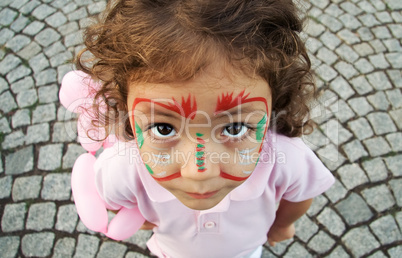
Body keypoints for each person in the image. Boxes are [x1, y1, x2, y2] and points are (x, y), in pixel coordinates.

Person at [59, 0, 335, 257]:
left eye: (235, 127)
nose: (198, 172)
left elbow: (300, 197)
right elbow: (118, 204)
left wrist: (280, 226)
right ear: (125, 109)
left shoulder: (288, 161)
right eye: (164, 128)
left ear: (276, 101)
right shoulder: (119, 170)